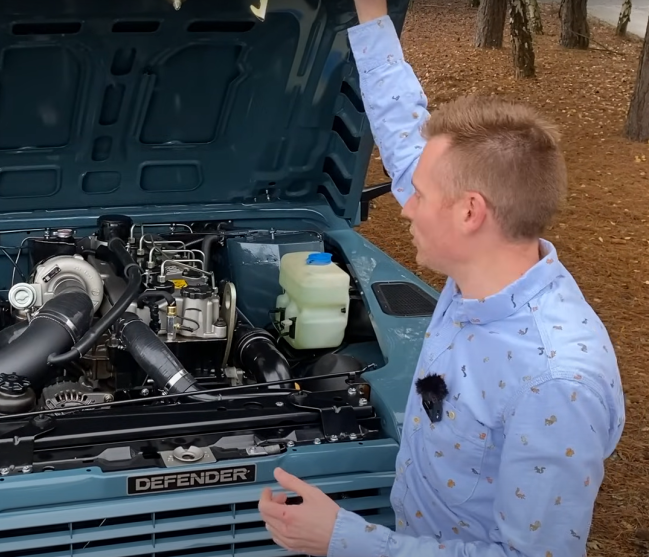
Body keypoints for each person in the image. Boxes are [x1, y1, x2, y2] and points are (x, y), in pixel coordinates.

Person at [257, 0, 626, 555]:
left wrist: (347, 539)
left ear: (470, 212)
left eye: (420, 195)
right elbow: (409, 141)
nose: (405, 205)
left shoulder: (555, 383)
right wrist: (372, 13)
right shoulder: (488, 262)